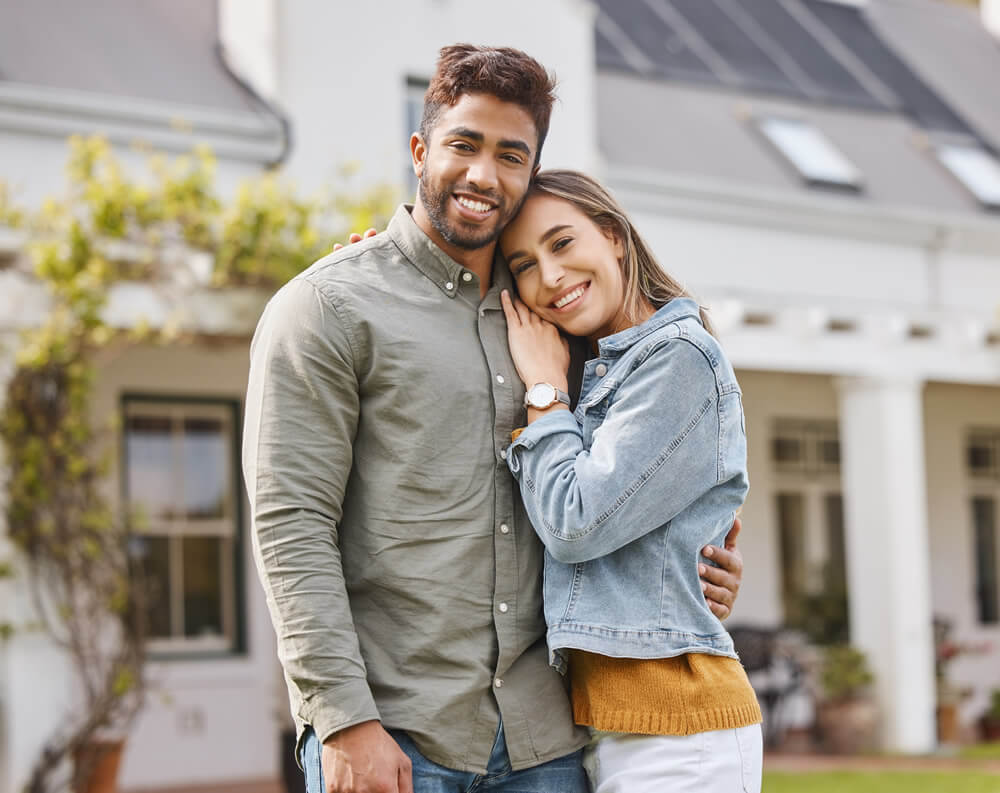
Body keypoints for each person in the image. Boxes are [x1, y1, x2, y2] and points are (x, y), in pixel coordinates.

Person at [243, 44, 745, 793]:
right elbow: (292, 523)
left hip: (549, 744)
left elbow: (648, 466)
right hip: (400, 735)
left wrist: (696, 560)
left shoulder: (562, 318)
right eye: (463, 145)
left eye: (512, 154)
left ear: (532, 171)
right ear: (420, 150)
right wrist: (343, 719)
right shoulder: (329, 308)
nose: (484, 174)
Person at [498, 170, 762, 792]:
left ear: (614, 237)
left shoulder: (678, 356)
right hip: (611, 731)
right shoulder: (599, 370)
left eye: (562, 244)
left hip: (681, 734)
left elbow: (574, 522)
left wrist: (543, 393)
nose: (550, 276)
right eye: (525, 265)